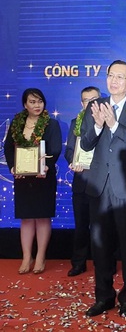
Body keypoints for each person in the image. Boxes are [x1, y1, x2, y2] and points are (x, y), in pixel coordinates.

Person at [80, 60, 126, 318]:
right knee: (100, 246)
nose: (114, 81)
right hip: (99, 187)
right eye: (111, 75)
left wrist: (114, 125)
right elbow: (86, 144)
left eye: (120, 77)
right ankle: (104, 297)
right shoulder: (95, 106)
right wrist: (99, 125)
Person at [4, 88, 62, 275]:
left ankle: (40, 257)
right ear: (25, 104)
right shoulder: (17, 123)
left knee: (42, 217)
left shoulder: (51, 124)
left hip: (44, 177)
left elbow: (55, 149)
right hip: (22, 178)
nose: (37, 105)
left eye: (40, 101)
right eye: (32, 102)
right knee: (27, 218)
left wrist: (46, 166)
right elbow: (8, 148)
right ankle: (26, 257)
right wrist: (13, 167)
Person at [64, 86, 101, 277]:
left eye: (94, 99)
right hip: (81, 182)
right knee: (81, 226)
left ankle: (104, 263)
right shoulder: (75, 122)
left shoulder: (108, 121)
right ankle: (78, 263)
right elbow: (69, 150)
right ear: (81, 103)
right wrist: (73, 161)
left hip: (101, 184)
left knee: (101, 227)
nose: (91, 103)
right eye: (87, 100)